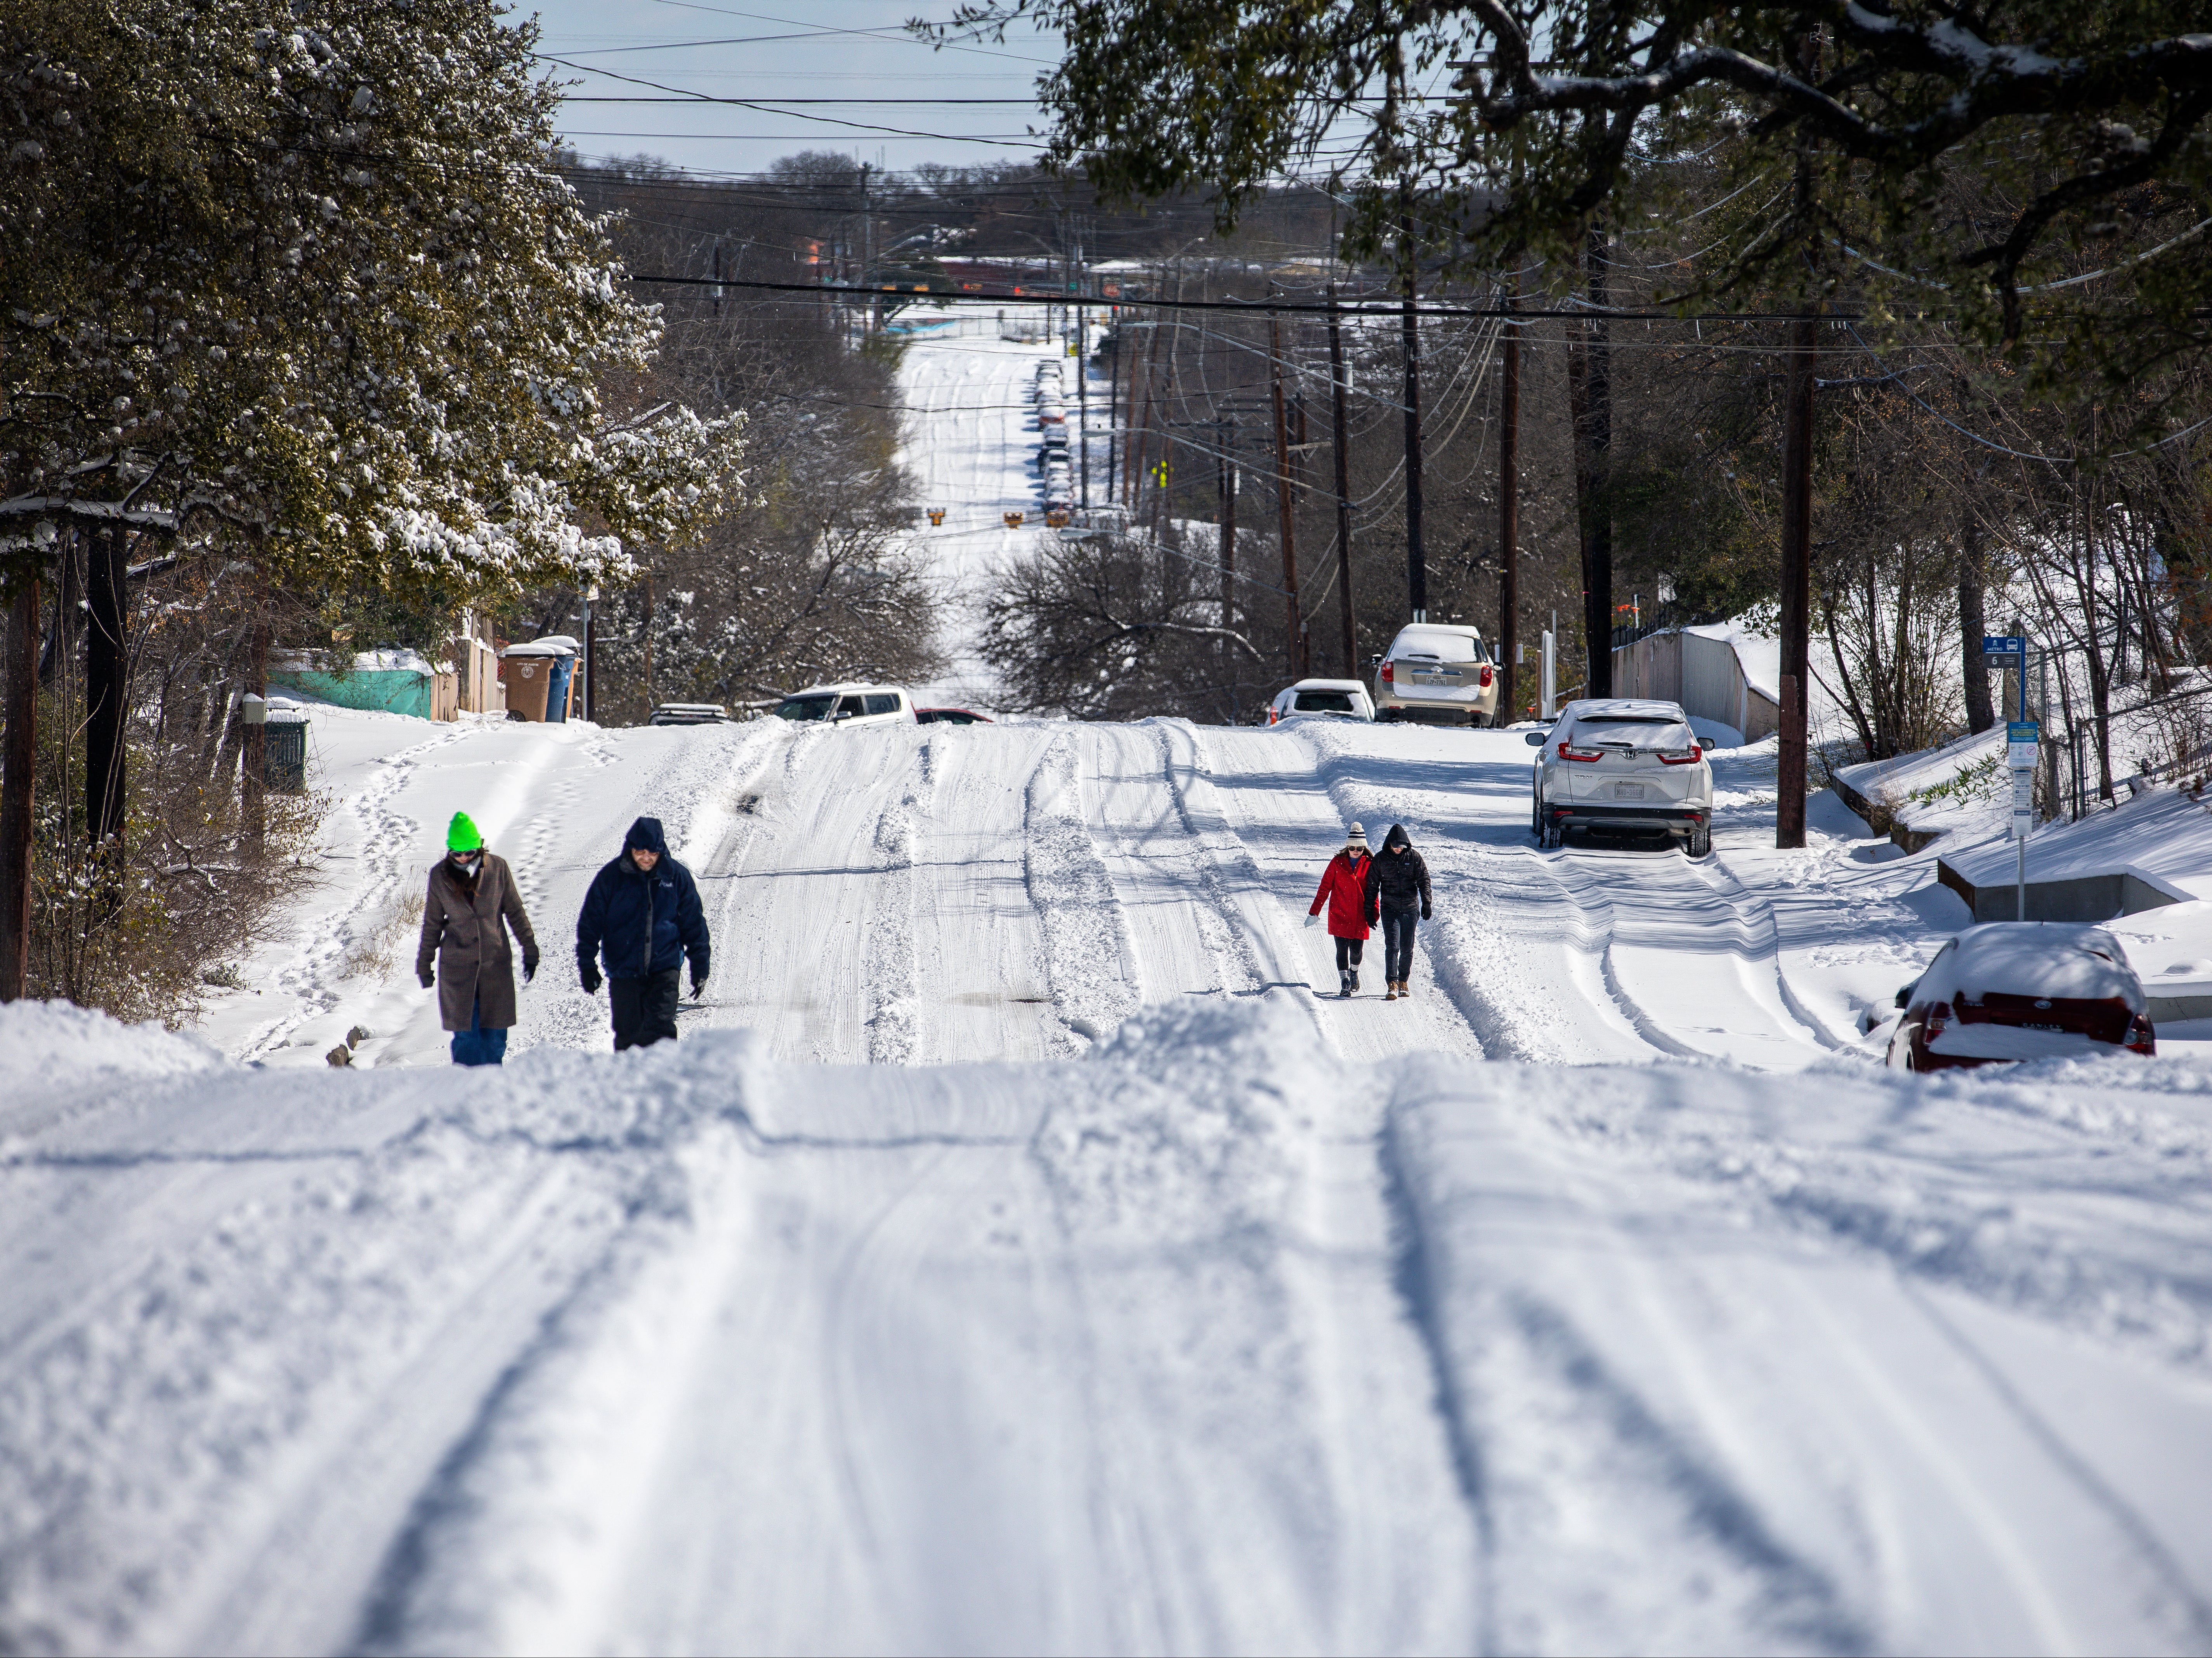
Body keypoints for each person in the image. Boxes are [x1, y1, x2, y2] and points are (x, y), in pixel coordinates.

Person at [576, 815, 710, 1051]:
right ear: (631, 848)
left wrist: (700, 967)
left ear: (661, 852)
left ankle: (663, 1083)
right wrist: (587, 965)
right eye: (640, 851)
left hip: (665, 968)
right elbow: (590, 923)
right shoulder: (611, 878)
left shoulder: (676, 877)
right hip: (623, 970)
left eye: (652, 853)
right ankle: (628, 1085)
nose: (645, 858)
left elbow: (695, 926)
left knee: (660, 1031)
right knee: (628, 1034)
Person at [416, 811, 538, 1066]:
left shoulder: (498, 868)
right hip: (458, 970)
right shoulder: (440, 876)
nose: (463, 858)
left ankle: (492, 1095)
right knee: (468, 1040)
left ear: (479, 847)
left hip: (496, 968)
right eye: (456, 853)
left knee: (495, 1040)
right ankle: (465, 1093)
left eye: (469, 852)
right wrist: (424, 965)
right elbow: (432, 923)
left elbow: (515, 910)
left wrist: (530, 948)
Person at [1306, 821, 1378, 998]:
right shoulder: (1337, 863)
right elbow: (1324, 888)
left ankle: (1354, 972)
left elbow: (1374, 892)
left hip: (1360, 916)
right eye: (1352, 847)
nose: (1355, 851)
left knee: (1357, 952)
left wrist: (1374, 913)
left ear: (1364, 849)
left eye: (1359, 849)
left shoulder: (1370, 865)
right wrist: (1315, 912)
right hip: (1340, 914)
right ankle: (1345, 981)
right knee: (1342, 950)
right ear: (1348, 846)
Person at [1372, 823, 1433, 1001]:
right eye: (1395, 846)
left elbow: (1424, 880)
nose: (1398, 849)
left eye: (1402, 846)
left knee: (1407, 948)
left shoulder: (1414, 857)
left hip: (1410, 909)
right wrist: (1370, 910)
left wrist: (1426, 903)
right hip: (1390, 909)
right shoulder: (1380, 860)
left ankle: (1403, 981)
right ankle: (1392, 983)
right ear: (1389, 844)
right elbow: (1372, 887)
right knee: (1393, 946)